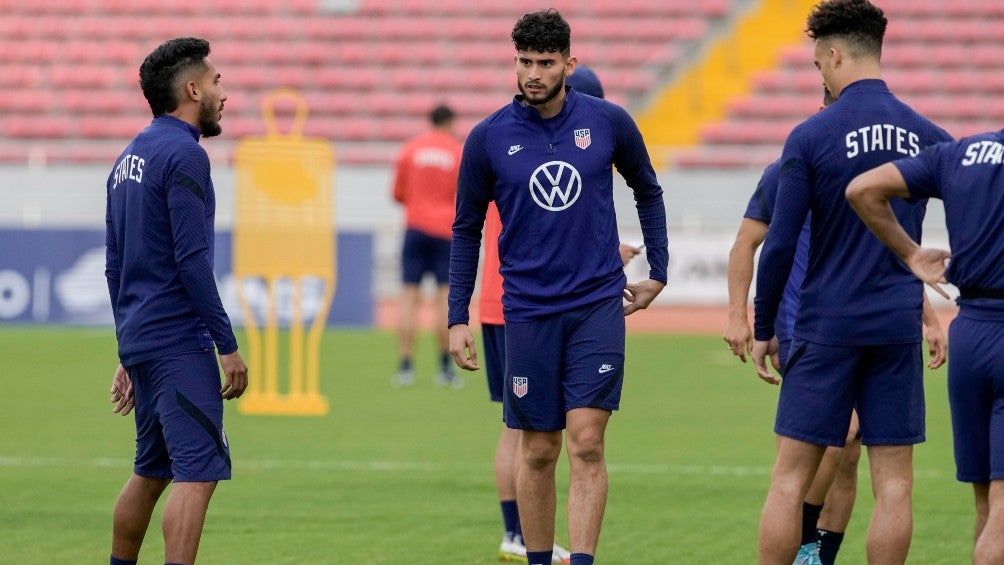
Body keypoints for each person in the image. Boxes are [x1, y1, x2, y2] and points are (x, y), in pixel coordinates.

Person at [448, 10, 668, 565]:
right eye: (525, 62)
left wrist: (658, 271)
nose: (534, 73)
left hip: (597, 303)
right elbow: (465, 230)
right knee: (540, 449)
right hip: (528, 310)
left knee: (587, 442)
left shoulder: (609, 121)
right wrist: (456, 316)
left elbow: (648, 189)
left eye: (546, 63)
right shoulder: (488, 138)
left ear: (569, 63)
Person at [749, 1, 953, 563]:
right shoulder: (929, 135)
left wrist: (764, 325)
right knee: (894, 484)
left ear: (835, 55)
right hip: (893, 327)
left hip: (825, 325)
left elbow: (781, 244)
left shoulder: (811, 135)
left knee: (789, 481)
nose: (821, 75)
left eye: (819, 66)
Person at [104, 37, 248, 565]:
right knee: (198, 473)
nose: (222, 93)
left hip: (143, 340)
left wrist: (127, 347)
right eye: (215, 82)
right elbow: (192, 262)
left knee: (151, 471)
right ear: (192, 89)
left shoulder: (128, 157)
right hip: (177, 343)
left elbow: (114, 266)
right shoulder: (186, 153)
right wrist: (226, 346)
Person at [482, 63, 632, 563]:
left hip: (539, 303)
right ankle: (517, 535)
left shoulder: (523, 145)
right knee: (531, 438)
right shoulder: (507, 141)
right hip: (520, 306)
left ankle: (517, 536)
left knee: (570, 438)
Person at [846, 131, 1004, 564]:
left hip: (970, 331)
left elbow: (861, 188)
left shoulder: (961, 153)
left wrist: (910, 253)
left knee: (986, 504)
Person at [391, 104, 464, 388]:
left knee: (409, 296)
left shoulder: (411, 149)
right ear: (449, 122)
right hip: (445, 230)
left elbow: (397, 193)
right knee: (443, 300)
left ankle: (405, 366)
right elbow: (464, 195)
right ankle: (445, 368)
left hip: (415, 228)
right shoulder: (456, 152)